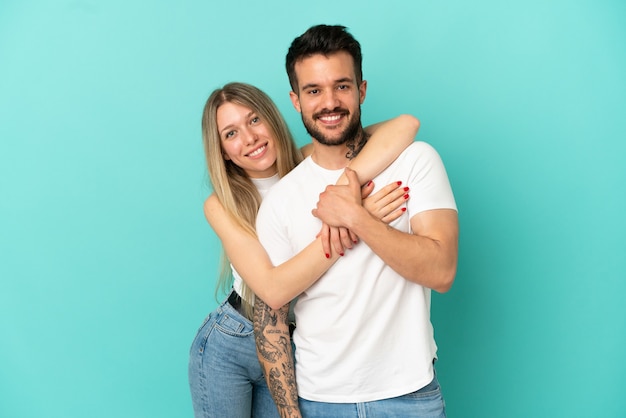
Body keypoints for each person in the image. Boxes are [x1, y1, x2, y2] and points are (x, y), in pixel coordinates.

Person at [254, 25, 459, 418]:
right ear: (296, 101)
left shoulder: (416, 161)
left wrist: (355, 217)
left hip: (409, 397)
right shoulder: (280, 201)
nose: (329, 102)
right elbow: (272, 322)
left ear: (362, 90)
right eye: (314, 90)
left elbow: (442, 270)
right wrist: (290, 413)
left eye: (342, 86)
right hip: (320, 401)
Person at [188, 81, 421, 418]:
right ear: (223, 150)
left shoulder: (310, 161)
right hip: (232, 342)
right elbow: (273, 289)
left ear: (272, 118)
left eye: (254, 120)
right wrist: (357, 219)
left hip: (296, 341)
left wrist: (346, 191)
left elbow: (405, 126)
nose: (249, 138)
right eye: (231, 133)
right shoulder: (220, 204)